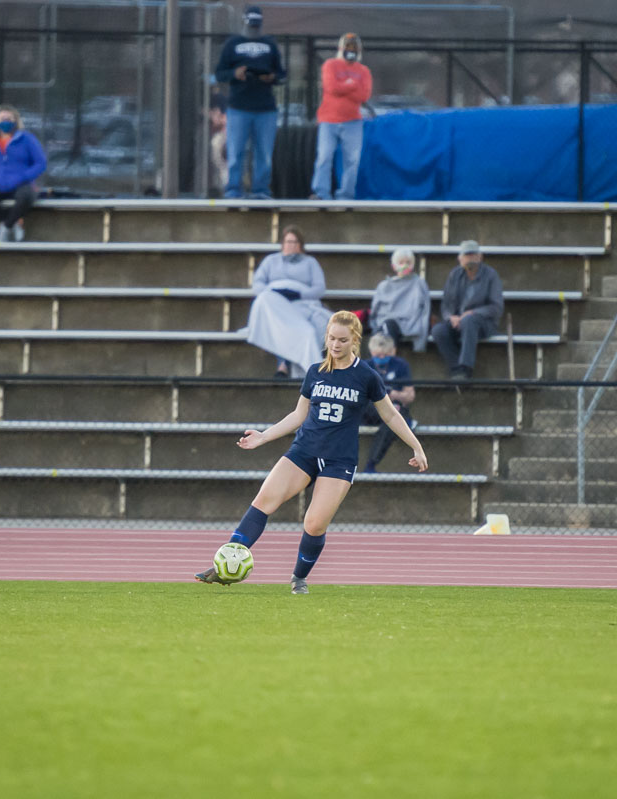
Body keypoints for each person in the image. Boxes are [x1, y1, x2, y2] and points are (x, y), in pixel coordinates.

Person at [196, 311, 428, 594]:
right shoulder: (315, 372)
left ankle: (298, 578)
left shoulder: (366, 376)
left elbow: (390, 416)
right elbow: (298, 415)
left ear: (355, 340)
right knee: (264, 500)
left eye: (342, 340)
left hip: (339, 459)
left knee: (315, 523)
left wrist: (415, 445)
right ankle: (224, 564)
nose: (335, 344)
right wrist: (264, 436)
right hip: (304, 450)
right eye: (331, 338)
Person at [213, 5, 286, 199]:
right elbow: (219, 73)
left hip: (265, 108)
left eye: (256, 25)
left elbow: (282, 74)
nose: (254, 29)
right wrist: (235, 74)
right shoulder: (232, 44)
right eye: (251, 25)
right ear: (244, 22)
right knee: (236, 153)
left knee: (264, 154)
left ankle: (260, 190)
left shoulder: (270, 44)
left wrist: (272, 77)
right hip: (239, 108)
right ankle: (233, 190)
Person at [245, 226, 332, 378]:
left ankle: (300, 368)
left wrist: (299, 294)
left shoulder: (310, 262)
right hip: (276, 304)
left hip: (300, 305)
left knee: (306, 332)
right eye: (288, 241)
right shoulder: (271, 261)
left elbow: (319, 288)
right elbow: (258, 284)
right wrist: (275, 293)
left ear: (300, 244)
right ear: (282, 244)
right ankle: (283, 365)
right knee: (265, 303)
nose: (291, 245)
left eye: (294, 242)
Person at [310, 32, 372, 201]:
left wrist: (344, 87)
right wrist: (351, 86)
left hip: (353, 122)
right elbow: (331, 88)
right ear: (341, 48)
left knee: (352, 161)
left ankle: (346, 195)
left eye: (354, 48)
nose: (350, 51)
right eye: (347, 47)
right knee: (324, 156)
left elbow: (363, 96)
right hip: (328, 120)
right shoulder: (330, 65)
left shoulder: (363, 71)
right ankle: (321, 193)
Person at [0, 105, 46, 243]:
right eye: (2, 118)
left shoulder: (27, 139)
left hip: (20, 182)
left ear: (16, 121)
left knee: (27, 196)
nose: (6, 121)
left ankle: (6, 226)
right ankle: (11, 222)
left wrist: (24, 176)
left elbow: (40, 163)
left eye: (9, 118)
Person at [430, 240, 504, 379]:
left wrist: (473, 312)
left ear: (480, 257)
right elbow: (445, 305)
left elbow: (496, 307)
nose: (470, 258)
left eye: (473, 255)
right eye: (467, 255)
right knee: (438, 330)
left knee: (469, 321)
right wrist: (450, 317)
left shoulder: (491, 275)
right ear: (460, 258)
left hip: (483, 323)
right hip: (457, 321)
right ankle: (456, 368)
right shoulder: (454, 275)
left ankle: (466, 367)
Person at [361, 333, 417, 474]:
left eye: (385, 354)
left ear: (392, 351)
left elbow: (410, 395)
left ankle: (371, 464)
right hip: (371, 410)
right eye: (377, 354)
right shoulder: (365, 366)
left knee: (394, 420)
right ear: (372, 352)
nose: (381, 358)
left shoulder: (400, 365)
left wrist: (393, 395)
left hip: (393, 410)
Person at [368, 247, 430, 352]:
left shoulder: (419, 284)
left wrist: (421, 340)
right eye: (401, 262)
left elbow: (425, 311)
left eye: (408, 262)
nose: (405, 265)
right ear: (394, 266)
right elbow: (375, 312)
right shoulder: (384, 286)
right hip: (387, 322)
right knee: (386, 327)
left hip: (411, 323)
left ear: (413, 265)